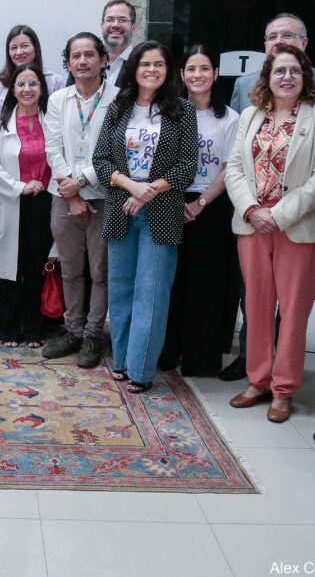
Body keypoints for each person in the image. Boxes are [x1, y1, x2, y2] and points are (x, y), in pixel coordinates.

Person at [220, 11, 315, 382]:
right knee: (256, 307)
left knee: (293, 312)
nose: (287, 77)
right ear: (267, 76)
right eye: (279, 71)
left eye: (294, 71)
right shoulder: (250, 115)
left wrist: (279, 214)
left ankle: (284, 387)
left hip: (298, 226)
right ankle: (258, 380)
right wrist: (250, 209)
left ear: (305, 74)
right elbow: (235, 168)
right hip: (252, 225)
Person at [92, 42, 198, 394]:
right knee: (121, 290)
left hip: (162, 213)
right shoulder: (118, 108)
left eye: (159, 64)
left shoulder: (182, 110)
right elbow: (101, 160)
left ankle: (141, 368)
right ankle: (121, 361)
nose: (152, 70)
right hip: (121, 209)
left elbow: (186, 166)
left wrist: (148, 190)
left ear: (168, 70)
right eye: (145, 64)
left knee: (151, 293)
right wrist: (130, 186)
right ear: (134, 69)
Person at [157, 45, 241, 377]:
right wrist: (178, 201)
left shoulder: (230, 119)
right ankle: (167, 351)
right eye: (191, 69)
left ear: (216, 74)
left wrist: (201, 202)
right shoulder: (170, 113)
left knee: (205, 284)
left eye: (204, 69)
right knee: (172, 281)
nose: (197, 75)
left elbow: (231, 168)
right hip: (171, 200)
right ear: (181, 75)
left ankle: (200, 357)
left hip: (213, 206)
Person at [41, 33, 119, 365]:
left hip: (103, 195)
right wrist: (70, 190)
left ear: (103, 60)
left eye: (90, 55)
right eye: (76, 56)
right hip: (63, 196)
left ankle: (92, 335)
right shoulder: (59, 98)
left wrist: (82, 181)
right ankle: (72, 330)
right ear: (68, 63)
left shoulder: (119, 98)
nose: (83, 61)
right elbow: (52, 146)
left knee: (100, 271)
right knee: (70, 269)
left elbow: (115, 150)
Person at [0, 64, 54, 347]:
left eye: (33, 84)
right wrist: (20, 186)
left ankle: (33, 328)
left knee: (36, 267)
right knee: (10, 267)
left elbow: (59, 157)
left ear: (41, 89)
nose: (27, 89)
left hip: (44, 203)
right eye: (21, 84)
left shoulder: (52, 122)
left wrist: (43, 185)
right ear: (13, 90)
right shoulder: (0, 125)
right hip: (12, 201)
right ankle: (9, 327)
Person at [230, 13, 315, 114]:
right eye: (272, 37)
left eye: (287, 35)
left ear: (304, 43)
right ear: (265, 44)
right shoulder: (243, 85)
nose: (278, 41)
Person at [0, 25, 66, 150]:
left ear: (35, 48)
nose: (19, 52)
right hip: (5, 159)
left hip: (47, 157)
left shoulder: (54, 81)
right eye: (13, 48)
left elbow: (62, 127)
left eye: (24, 46)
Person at [101, 0, 139, 88]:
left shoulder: (141, 63)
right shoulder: (86, 61)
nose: (115, 25)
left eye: (122, 20)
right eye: (110, 20)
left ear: (134, 27)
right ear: (102, 26)